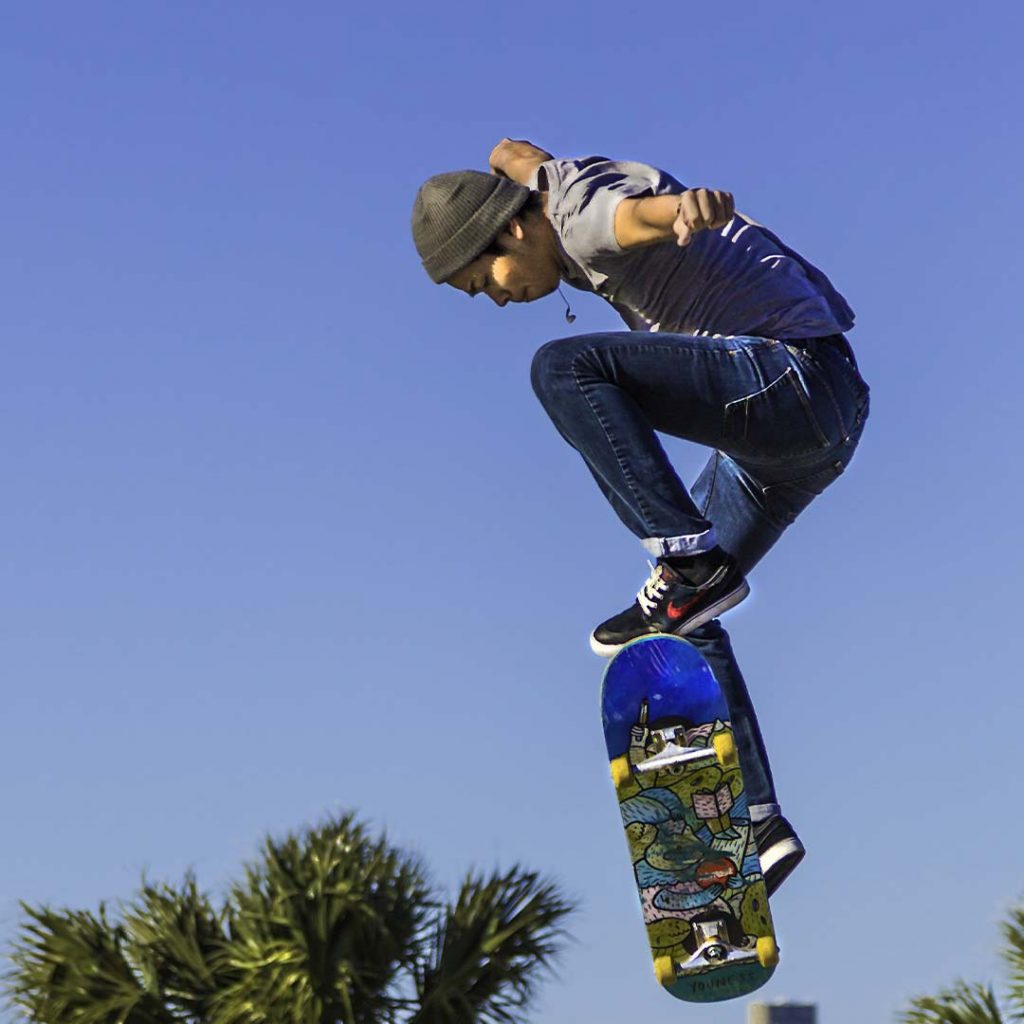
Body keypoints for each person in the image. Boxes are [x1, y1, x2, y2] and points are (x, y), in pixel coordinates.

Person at [410, 138, 870, 895]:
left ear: (517, 230)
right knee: (674, 625)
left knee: (562, 368)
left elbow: (631, 219)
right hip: (811, 431)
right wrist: (508, 160)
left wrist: (680, 212)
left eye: (483, 280)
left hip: (789, 380)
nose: (495, 298)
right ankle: (760, 822)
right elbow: (516, 154)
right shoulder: (539, 188)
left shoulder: (585, 218)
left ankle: (686, 559)